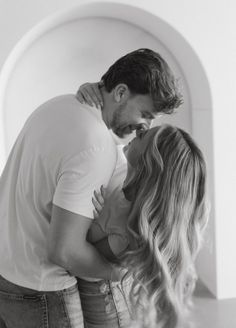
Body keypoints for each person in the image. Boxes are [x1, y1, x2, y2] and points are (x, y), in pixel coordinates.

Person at [0, 48, 182, 328]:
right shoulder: (95, 145)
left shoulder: (58, 105)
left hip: (8, 271)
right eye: (145, 113)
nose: (145, 127)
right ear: (120, 92)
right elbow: (65, 251)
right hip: (43, 288)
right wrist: (116, 274)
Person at [79, 124, 209, 328]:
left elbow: (82, 254)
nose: (139, 130)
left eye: (145, 135)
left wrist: (86, 217)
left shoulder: (127, 225)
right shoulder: (127, 172)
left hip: (103, 300)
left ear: (152, 163)